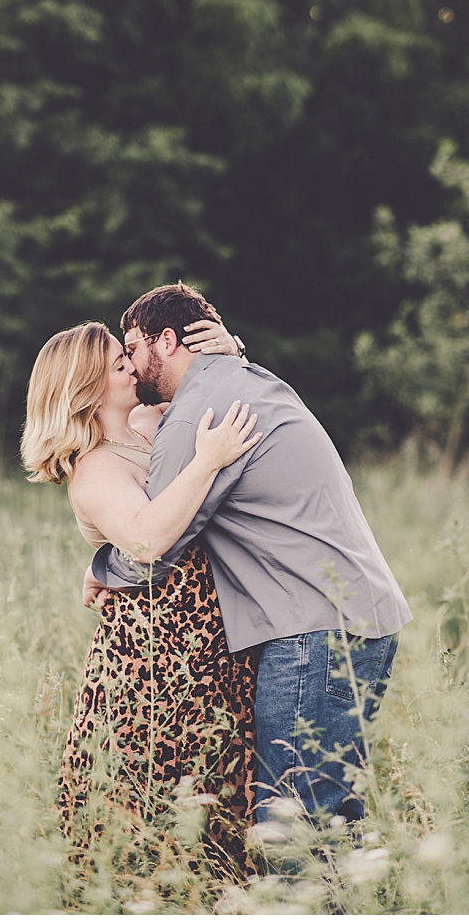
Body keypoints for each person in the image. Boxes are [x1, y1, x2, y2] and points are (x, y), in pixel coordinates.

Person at [87, 283, 412, 831]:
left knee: (293, 828)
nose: (132, 364)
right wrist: (235, 349)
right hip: (354, 618)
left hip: (316, 632)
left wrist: (101, 570)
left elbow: (156, 547)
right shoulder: (252, 379)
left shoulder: (196, 418)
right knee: (329, 818)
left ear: (165, 342)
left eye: (134, 347)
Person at [23, 316, 262, 873]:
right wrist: (207, 460)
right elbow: (149, 540)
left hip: (209, 645)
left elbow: (223, 391)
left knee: (221, 794)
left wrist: (232, 349)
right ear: (85, 388)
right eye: (117, 362)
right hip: (149, 662)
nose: (132, 365)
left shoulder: (152, 423)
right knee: (148, 811)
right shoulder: (94, 469)